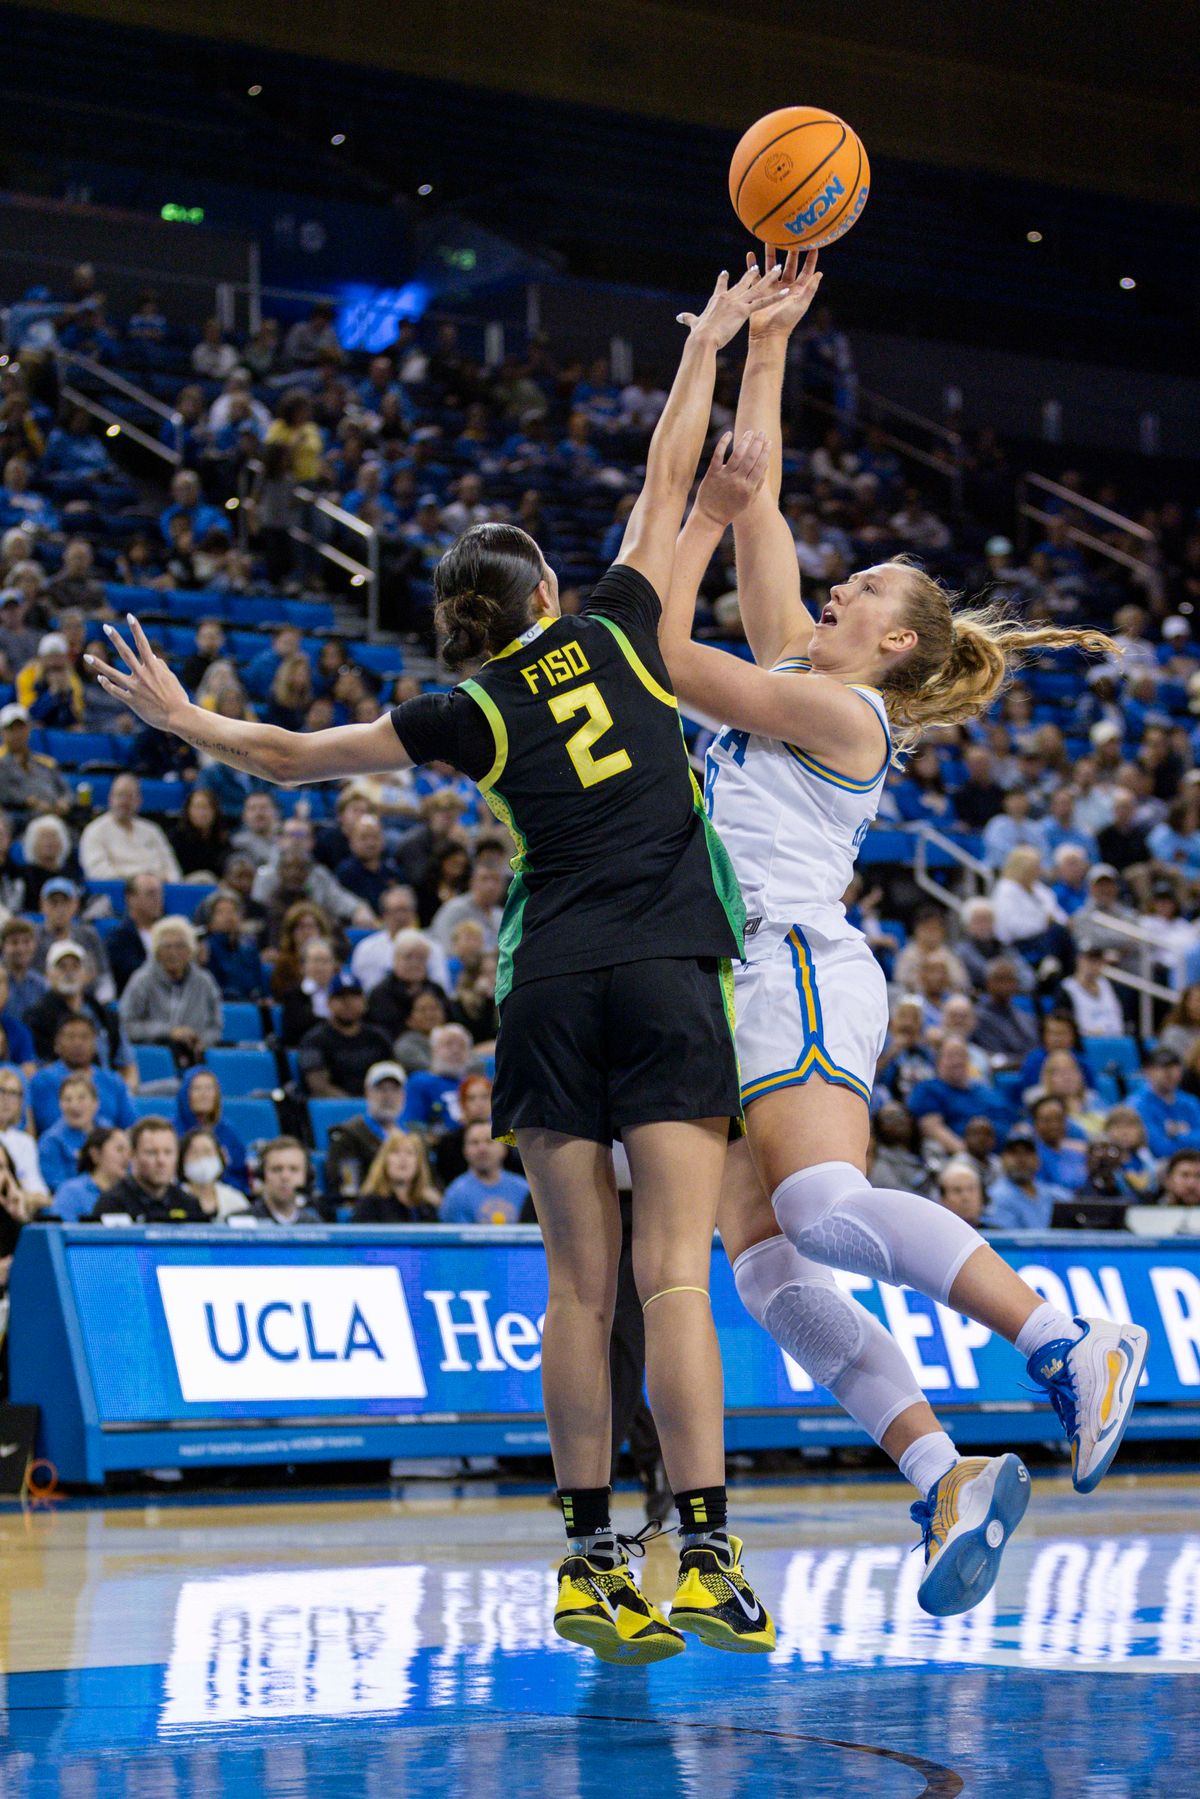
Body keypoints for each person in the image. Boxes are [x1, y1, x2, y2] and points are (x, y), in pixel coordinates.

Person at [88, 260, 791, 1660]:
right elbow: (670, 473)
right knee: (671, 1277)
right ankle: (708, 1555)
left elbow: (291, 755)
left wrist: (188, 721)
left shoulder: (465, 706)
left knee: (577, 1288)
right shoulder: (620, 624)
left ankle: (588, 1563)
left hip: (550, 986)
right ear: (547, 587)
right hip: (666, 967)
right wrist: (711, 337)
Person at [655, 243, 1147, 1623]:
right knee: (768, 1271)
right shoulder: (800, 669)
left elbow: (666, 654)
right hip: (730, 984)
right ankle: (943, 1472)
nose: (836, 590)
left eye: (861, 587)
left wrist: (691, 520)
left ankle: (1065, 1335)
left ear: (894, 644)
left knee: (820, 1205)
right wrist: (767, 344)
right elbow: (760, 505)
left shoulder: (842, 709)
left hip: (798, 967)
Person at [118, 917, 223, 1063]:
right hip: (153, 1056)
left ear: (190, 950)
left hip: (197, 1056)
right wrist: (169, 1032)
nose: (173, 953)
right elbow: (126, 1026)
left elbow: (215, 1026)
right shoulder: (141, 980)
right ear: (157, 951)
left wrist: (202, 1041)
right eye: (167, 947)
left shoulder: (205, 981)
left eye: (180, 946)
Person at [28, 1010, 134, 1133]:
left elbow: (129, 1126)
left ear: (95, 1044)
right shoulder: (40, 1082)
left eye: (84, 1037)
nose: (78, 1043)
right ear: (56, 1044)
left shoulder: (113, 1081)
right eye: (70, 1037)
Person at [323, 1060, 409, 1205]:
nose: (388, 1096)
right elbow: (349, 1189)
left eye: (395, 1089)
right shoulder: (347, 1136)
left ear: (403, 1095)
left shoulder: (412, 1137)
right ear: (367, 1093)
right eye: (381, 1089)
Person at [297, 971, 393, 1098]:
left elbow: (394, 1075)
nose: (348, 1003)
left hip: (378, 1104)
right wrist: (354, 1104)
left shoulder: (378, 1037)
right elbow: (318, 1085)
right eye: (340, 997)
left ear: (364, 1002)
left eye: (354, 996)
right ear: (328, 1003)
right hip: (336, 1107)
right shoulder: (315, 1040)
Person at [89, 1116, 203, 1222]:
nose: (161, 1161)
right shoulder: (112, 1204)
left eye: (168, 1152)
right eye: (151, 1152)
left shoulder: (189, 1205)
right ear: (132, 1155)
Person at [79, 774, 182, 882]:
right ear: (110, 798)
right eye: (120, 795)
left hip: (160, 888)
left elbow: (173, 870)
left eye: (130, 796)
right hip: (118, 889)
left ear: (139, 800)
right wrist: (139, 880)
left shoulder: (152, 830)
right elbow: (97, 873)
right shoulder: (94, 831)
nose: (124, 801)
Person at [441, 1121, 531, 1224]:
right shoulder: (455, 1195)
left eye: (489, 1141)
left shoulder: (524, 1189)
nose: (482, 1149)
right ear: (465, 1151)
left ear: (504, 1148)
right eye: (474, 1142)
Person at [174, 1066, 248, 1190]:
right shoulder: (172, 1130)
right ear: (185, 1094)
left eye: (209, 1088)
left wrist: (223, 1169)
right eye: (197, 1088)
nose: (204, 1095)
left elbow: (240, 1175)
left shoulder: (228, 1132)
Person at [983, 1125, 1067, 1230]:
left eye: (1027, 1153)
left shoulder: (1053, 1194)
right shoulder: (994, 1196)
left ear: (1037, 1160)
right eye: (1014, 1153)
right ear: (1003, 1160)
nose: (1021, 1159)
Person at [351, 1128, 441, 1222]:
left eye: (409, 1153)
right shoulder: (370, 1204)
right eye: (396, 1152)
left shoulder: (427, 1205)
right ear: (384, 1162)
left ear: (418, 1163)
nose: (403, 1158)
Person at [51, 1124, 130, 1222]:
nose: (127, 1157)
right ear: (95, 1154)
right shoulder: (71, 1193)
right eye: (119, 1149)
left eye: (129, 1151)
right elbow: (62, 1229)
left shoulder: (132, 1192)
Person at [37, 1071, 102, 1191]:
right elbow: (59, 1188)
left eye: (81, 1098)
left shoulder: (108, 1132)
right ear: (60, 1105)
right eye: (67, 1099)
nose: (74, 1106)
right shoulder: (51, 1141)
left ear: (95, 1103)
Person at [1131, 1047, 1200, 1159]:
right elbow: (1159, 1149)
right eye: (1162, 1067)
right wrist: (1188, 1135)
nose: (1170, 1073)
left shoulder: (1190, 1102)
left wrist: (1177, 1136)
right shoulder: (1137, 1105)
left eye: (1174, 1067)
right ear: (1147, 1071)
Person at [107, 872, 164, 994]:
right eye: (150, 894)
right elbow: (129, 975)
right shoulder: (118, 938)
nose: (157, 899)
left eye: (159, 893)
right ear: (131, 898)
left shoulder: (169, 933)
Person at [179, 1126, 250, 1221]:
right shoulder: (173, 1201)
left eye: (207, 1152)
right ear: (182, 1160)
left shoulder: (236, 1201)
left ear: (220, 1158)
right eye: (194, 1153)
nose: (201, 1159)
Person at [250, 1137, 322, 1225]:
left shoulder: (315, 1225)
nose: (285, 1177)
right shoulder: (240, 1223)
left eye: (294, 1169)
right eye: (277, 1169)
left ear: (307, 1176)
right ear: (262, 1175)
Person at [0, 1069, 46, 1196]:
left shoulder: (26, 1142)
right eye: (1, 1091)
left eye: (13, 1093)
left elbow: (41, 1194)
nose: (6, 1099)